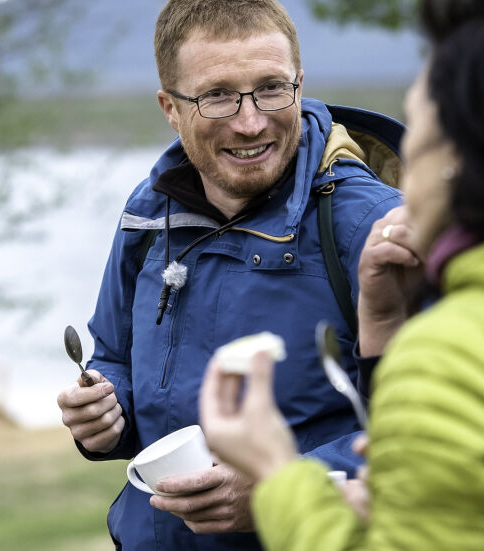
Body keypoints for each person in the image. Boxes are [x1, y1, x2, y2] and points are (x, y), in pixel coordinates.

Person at [198, 0, 484, 549]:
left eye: (415, 133)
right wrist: (386, 327)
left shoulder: (459, 357)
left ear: (458, 163)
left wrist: (278, 474)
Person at [55, 0, 404, 548]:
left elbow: (434, 435)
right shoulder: (150, 213)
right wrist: (106, 409)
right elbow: (116, 358)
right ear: (170, 108)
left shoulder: (373, 226)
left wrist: (281, 488)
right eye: (217, 95)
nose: (250, 121)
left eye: (271, 87)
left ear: (299, 82)